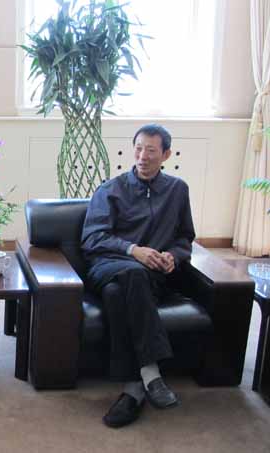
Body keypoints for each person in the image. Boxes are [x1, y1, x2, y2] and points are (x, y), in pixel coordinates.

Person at [81, 124, 195, 429]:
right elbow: (92, 238)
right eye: (139, 148)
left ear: (166, 155)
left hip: (150, 276)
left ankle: (133, 388)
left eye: (151, 151)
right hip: (107, 265)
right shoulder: (111, 189)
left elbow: (185, 238)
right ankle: (152, 374)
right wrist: (133, 250)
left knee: (119, 293)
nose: (143, 156)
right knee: (132, 273)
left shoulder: (177, 190)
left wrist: (173, 256)